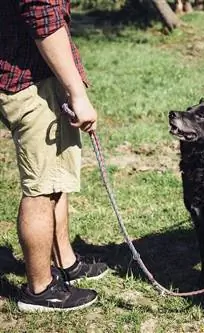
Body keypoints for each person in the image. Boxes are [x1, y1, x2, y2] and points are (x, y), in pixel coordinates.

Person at [0, 0, 109, 312]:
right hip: (30, 82)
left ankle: (65, 262)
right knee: (42, 189)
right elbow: (43, 19)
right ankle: (39, 289)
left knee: (55, 176)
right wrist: (77, 93)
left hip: (29, 75)